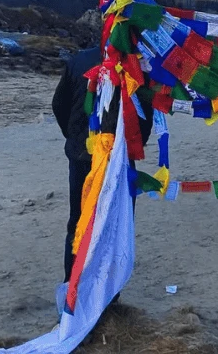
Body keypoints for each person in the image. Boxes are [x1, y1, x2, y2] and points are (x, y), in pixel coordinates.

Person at [52, 47, 153, 281]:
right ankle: (105, 291)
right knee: (115, 223)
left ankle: (73, 285)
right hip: (117, 157)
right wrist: (135, 147)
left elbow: (59, 104)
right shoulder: (140, 66)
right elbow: (144, 116)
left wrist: (75, 136)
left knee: (79, 220)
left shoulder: (79, 60)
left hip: (84, 156)